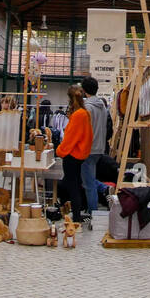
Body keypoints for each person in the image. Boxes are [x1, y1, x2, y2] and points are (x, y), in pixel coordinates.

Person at [56, 84, 93, 226]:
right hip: (80, 155)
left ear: (71, 98)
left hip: (71, 156)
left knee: (72, 185)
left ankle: (76, 216)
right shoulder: (85, 113)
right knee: (76, 184)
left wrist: (60, 151)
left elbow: (70, 137)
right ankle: (76, 213)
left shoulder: (78, 115)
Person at [80, 75, 110, 214]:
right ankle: (104, 188)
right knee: (88, 179)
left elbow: (85, 130)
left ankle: (93, 213)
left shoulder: (87, 108)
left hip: (88, 149)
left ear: (84, 90)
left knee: (88, 183)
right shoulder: (103, 106)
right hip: (99, 148)